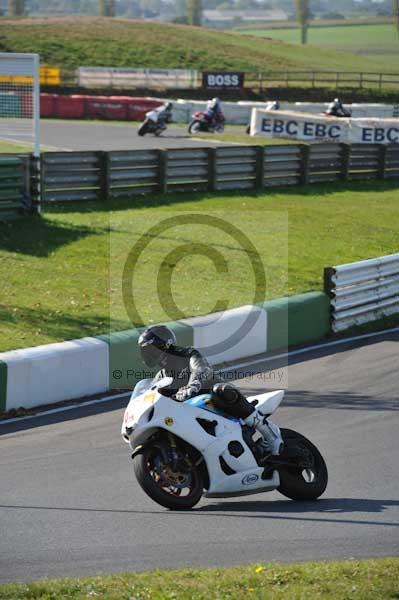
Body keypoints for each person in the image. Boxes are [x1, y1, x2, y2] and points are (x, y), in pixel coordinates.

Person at [138, 325, 283, 455]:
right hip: (191, 416)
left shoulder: (188, 354)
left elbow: (201, 369)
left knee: (221, 390)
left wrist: (192, 386)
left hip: (217, 403)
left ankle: (270, 434)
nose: (149, 355)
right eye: (146, 352)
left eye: (151, 350)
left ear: (165, 344)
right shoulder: (161, 378)